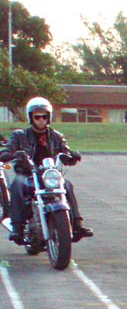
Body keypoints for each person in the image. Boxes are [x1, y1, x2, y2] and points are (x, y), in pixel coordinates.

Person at [0, 97, 93, 245]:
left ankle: (77, 224)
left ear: (48, 117)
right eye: (37, 117)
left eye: (44, 116)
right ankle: (17, 227)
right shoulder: (20, 135)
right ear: (31, 118)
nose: (41, 120)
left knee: (67, 185)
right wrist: (9, 154)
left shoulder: (56, 136)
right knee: (17, 183)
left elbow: (65, 152)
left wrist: (72, 156)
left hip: (49, 174)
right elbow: (8, 149)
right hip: (28, 173)